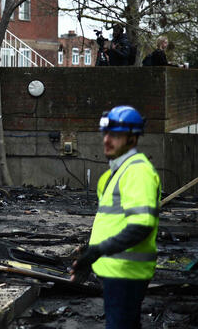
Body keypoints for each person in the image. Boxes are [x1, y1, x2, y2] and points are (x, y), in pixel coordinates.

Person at [71, 106, 160, 329]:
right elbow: (113, 222)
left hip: (126, 275)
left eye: (116, 135)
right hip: (117, 272)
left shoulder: (137, 172)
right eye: (107, 133)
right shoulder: (120, 170)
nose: (107, 140)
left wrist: (99, 250)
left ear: (132, 139)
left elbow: (141, 225)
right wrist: (91, 254)